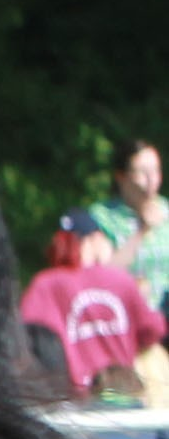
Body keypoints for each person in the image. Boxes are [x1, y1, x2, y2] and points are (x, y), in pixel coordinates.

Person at [19, 219, 164, 403]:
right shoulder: (119, 279)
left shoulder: (46, 284)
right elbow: (153, 330)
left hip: (73, 403)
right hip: (122, 394)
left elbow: (25, 337)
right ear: (95, 238)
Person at [82, 141, 169, 309]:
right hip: (126, 316)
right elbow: (101, 274)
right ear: (121, 177)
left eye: (155, 170)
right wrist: (142, 231)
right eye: (142, 172)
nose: (151, 180)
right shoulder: (102, 217)